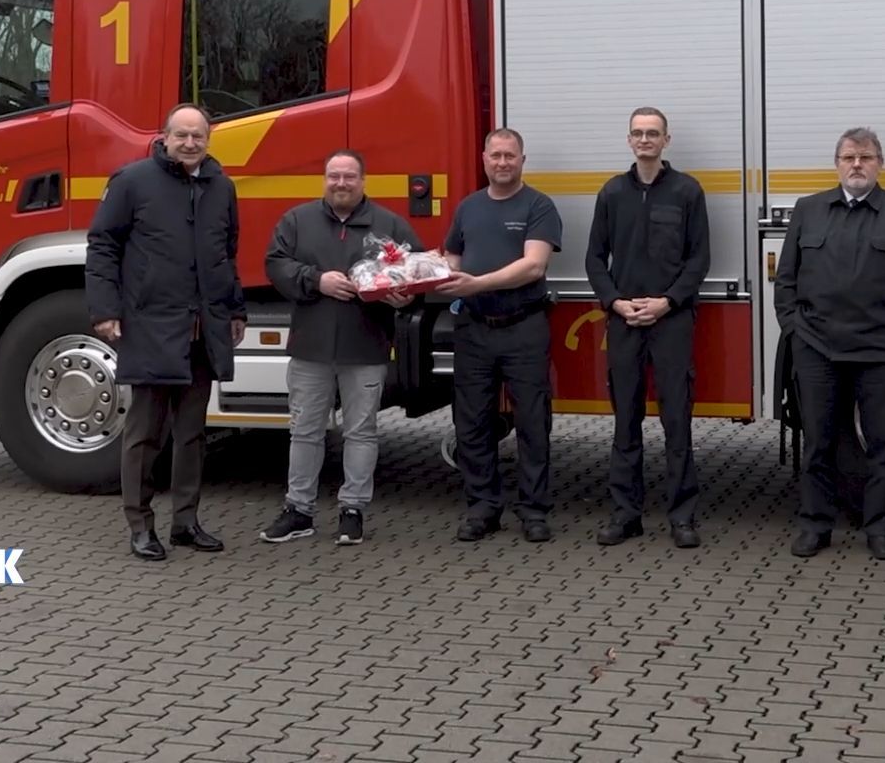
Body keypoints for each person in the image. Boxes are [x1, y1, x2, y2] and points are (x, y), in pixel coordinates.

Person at [85, 104, 246, 561]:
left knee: (193, 432)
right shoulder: (132, 182)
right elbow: (102, 247)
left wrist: (235, 310)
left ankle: (186, 522)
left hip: (203, 329)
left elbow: (226, 255)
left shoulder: (221, 187)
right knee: (145, 433)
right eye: (182, 135)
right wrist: (105, 310)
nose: (190, 143)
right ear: (165, 136)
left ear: (208, 139)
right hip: (151, 325)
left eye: (198, 136)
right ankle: (140, 525)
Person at [773, 127, 885, 561]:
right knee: (818, 442)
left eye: (865, 157)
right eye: (848, 157)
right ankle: (815, 524)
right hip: (817, 349)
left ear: (880, 163)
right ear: (837, 164)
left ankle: (880, 529)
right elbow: (785, 280)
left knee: (882, 445)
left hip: (879, 352)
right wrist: (793, 331)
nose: (856, 165)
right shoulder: (808, 210)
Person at [259, 150, 420, 548]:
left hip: (365, 347)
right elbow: (275, 264)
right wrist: (316, 280)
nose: (341, 183)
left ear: (363, 181)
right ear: (325, 180)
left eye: (349, 177)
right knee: (305, 432)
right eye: (334, 176)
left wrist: (405, 298)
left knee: (361, 432)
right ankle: (299, 510)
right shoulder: (298, 221)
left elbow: (416, 273)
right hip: (310, 347)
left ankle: (353, 510)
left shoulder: (389, 225)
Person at [584, 107, 711, 549]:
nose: (645, 140)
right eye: (638, 133)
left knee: (677, 422)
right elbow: (594, 259)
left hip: (671, 321)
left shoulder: (687, 191)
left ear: (666, 140)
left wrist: (667, 302)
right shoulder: (612, 192)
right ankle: (626, 515)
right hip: (624, 322)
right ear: (629, 140)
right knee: (626, 422)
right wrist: (615, 302)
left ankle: (682, 517)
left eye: (652, 133)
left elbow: (699, 259)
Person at [435, 128, 564, 543]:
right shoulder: (469, 207)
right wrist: (418, 274)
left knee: (532, 422)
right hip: (474, 328)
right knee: (471, 422)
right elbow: (451, 259)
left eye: (511, 156)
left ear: (523, 160)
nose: (503, 162)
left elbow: (533, 267)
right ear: (484, 159)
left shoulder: (539, 205)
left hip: (524, 326)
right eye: (496, 156)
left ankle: (534, 511)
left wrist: (476, 283)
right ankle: (482, 508)